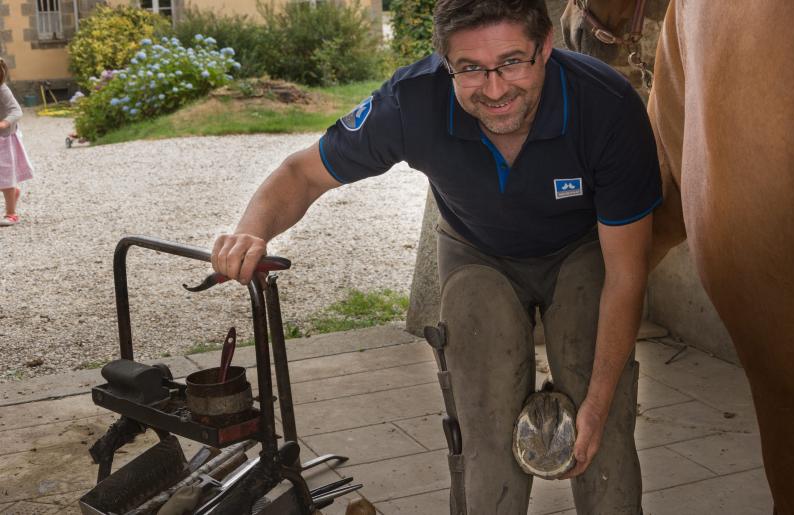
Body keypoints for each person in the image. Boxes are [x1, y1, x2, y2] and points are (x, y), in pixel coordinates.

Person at [211, 1, 661, 513]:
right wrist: (251, 232)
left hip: (583, 249)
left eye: (513, 61)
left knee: (602, 428)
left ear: (547, 47)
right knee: (486, 426)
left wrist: (599, 406)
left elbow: (626, 274)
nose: (494, 89)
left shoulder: (607, 106)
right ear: (445, 62)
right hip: (478, 250)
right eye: (469, 68)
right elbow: (302, 173)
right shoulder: (412, 101)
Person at [0, 58, 33, 227]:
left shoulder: (2, 90)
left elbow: (16, 110)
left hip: (3, 140)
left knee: (5, 177)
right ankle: (12, 192)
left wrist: (4, 123)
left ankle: (11, 213)